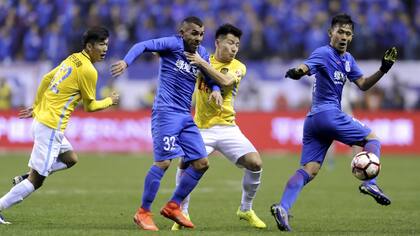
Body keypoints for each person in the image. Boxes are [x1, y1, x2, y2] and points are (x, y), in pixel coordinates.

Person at [270, 13, 397, 231]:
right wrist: (296, 72)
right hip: (328, 114)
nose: (344, 37)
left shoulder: (349, 60)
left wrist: (383, 69)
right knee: (372, 139)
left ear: (352, 36)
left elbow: (364, 84)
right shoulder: (323, 52)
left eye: (348, 33)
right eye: (340, 32)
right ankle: (370, 183)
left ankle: (283, 206)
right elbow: (306, 66)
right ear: (331, 33)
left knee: (309, 170)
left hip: (313, 121)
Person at [110, 16, 232, 231]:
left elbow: (210, 78)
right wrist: (126, 62)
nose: (198, 38)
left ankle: (174, 206)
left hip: (185, 116)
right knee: (164, 162)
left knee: (201, 163)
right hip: (165, 112)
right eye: (194, 33)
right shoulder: (172, 44)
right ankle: (143, 212)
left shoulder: (201, 54)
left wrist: (214, 91)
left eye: (201, 34)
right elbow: (143, 45)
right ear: (182, 32)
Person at [0, 26, 119, 225]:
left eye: (106, 44)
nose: (105, 48)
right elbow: (90, 107)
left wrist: (37, 106)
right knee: (36, 182)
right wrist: (110, 100)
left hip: (44, 121)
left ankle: (33, 172)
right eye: (101, 44)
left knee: (71, 159)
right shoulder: (89, 70)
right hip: (51, 126)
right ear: (89, 46)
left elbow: (47, 79)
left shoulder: (73, 58)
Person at [171, 24, 266, 231]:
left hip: (227, 127)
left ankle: (246, 209)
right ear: (217, 42)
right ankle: (182, 212)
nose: (234, 48)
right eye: (230, 43)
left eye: (237, 45)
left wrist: (202, 64)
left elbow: (224, 80)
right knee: (185, 165)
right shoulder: (201, 59)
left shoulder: (238, 66)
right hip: (201, 129)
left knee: (255, 163)